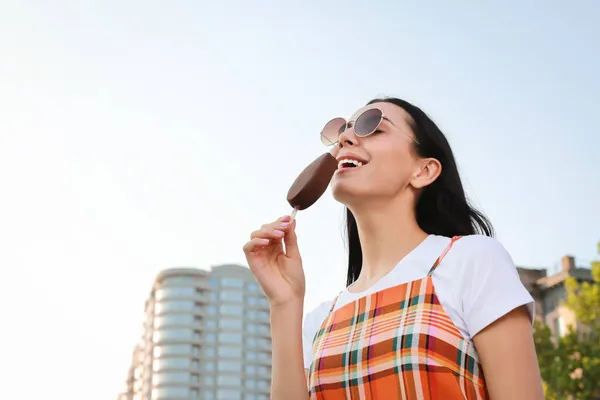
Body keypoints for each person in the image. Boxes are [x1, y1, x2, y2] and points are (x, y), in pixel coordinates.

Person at [243, 97, 544, 399]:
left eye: (373, 127)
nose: (346, 138)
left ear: (423, 171)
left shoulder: (472, 260)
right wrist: (284, 304)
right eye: (343, 131)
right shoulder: (319, 321)